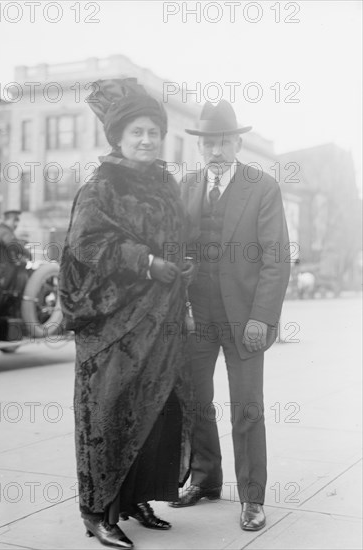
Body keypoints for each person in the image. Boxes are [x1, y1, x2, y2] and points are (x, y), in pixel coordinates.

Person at [59, 79, 193, 549]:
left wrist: (181, 290)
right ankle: (98, 510)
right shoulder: (101, 185)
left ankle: (137, 498)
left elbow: (177, 241)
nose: (146, 140)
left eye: (153, 132)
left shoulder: (165, 181)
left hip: (162, 320)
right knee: (108, 414)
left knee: (156, 413)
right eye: (137, 132)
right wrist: (146, 262)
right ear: (118, 137)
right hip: (114, 325)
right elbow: (86, 243)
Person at [169, 100, 290, 532]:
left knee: (247, 408)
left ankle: (253, 498)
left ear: (237, 142)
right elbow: (175, 247)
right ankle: (205, 480)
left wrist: (262, 317)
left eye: (223, 141)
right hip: (196, 314)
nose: (215, 150)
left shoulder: (262, 186)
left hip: (243, 316)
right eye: (208, 143)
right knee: (196, 402)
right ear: (200, 146)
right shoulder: (185, 185)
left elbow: (276, 260)